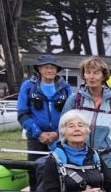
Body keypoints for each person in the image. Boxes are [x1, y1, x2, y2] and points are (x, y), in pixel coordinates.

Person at [62, 56, 111, 174]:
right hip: (78, 162)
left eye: (96, 73)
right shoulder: (74, 100)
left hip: (110, 163)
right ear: (84, 75)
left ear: (103, 76)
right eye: (88, 72)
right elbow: (63, 131)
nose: (91, 77)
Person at [16, 55, 72, 185]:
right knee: (35, 172)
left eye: (53, 67)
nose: (49, 70)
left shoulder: (65, 88)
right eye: (46, 67)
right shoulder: (28, 86)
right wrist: (38, 133)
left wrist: (58, 133)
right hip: (36, 139)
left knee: (62, 171)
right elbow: (22, 113)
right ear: (39, 69)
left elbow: (71, 114)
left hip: (60, 138)